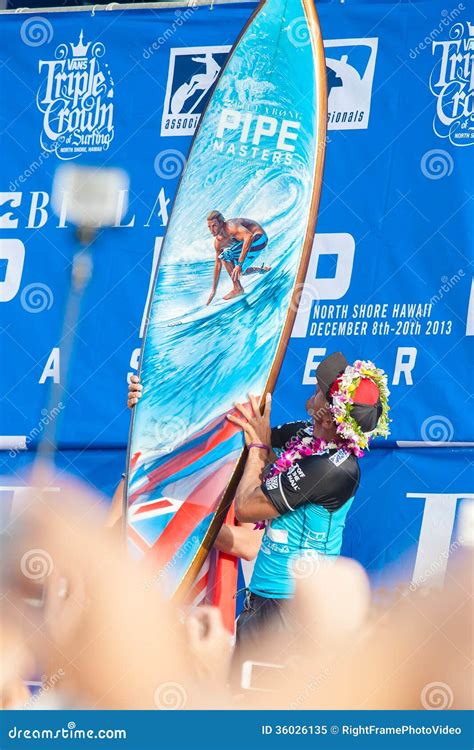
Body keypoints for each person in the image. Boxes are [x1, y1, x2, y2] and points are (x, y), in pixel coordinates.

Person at [226, 351, 390, 670]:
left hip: (291, 613)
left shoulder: (334, 469)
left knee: (260, 711)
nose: (309, 396)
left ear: (329, 416)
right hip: (265, 600)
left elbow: (246, 507)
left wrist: (260, 450)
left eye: (317, 391)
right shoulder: (307, 435)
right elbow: (243, 432)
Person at [108, 375, 263, 563]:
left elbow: (249, 545)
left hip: (206, 588)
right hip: (140, 588)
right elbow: (106, 543)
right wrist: (145, 407)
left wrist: (180, 517)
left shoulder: (239, 463)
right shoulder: (143, 472)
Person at [206, 211, 270, 303]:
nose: (212, 230)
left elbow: (249, 237)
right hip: (253, 245)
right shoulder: (218, 243)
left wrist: (239, 264)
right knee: (237, 272)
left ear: (221, 223)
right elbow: (218, 265)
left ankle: (237, 288)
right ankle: (262, 269)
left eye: (214, 226)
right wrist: (213, 291)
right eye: (209, 227)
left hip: (260, 238)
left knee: (226, 256)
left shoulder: (231, 226)